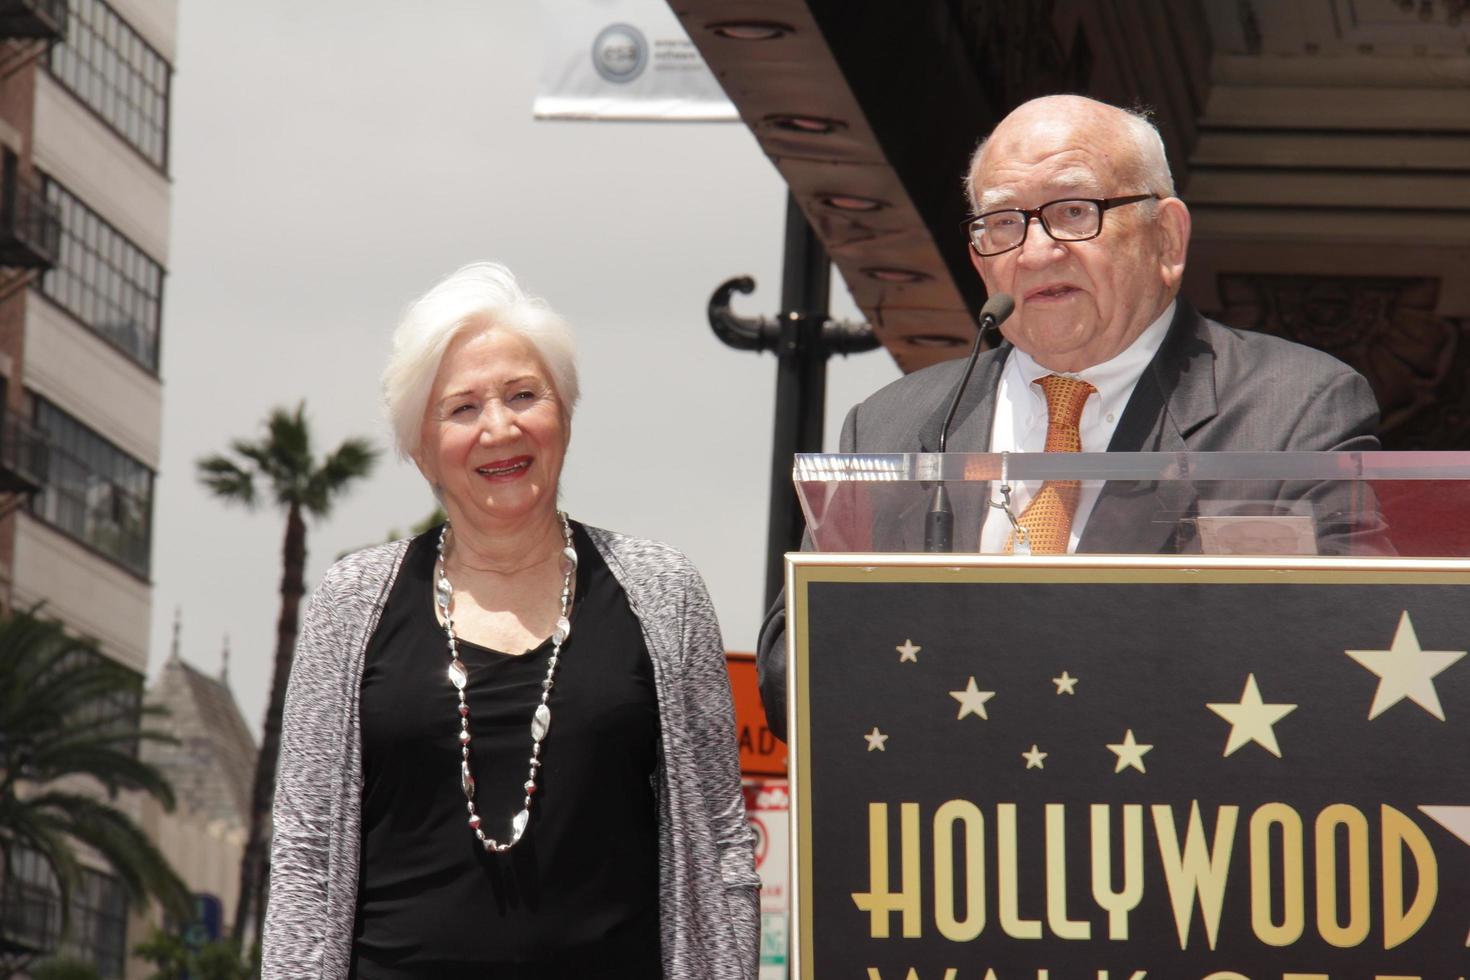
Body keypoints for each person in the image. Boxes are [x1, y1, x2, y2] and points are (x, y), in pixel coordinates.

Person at [757, 94, 1381, 740]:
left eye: (1074, 212)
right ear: (979, 260)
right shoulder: (894, 424)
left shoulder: (1293, 410)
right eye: (1003, 223)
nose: (1036, 252)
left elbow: (1347, 653)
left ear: (1166, 237)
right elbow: (786, 680)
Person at [261, 263, 759, 978]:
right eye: (462, 409)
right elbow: (307, 854)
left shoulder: (663, 592)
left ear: (563, 413)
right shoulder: (351, 602)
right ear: (419, 445)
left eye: (524, 395)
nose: (500, 428)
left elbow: (718, 843)